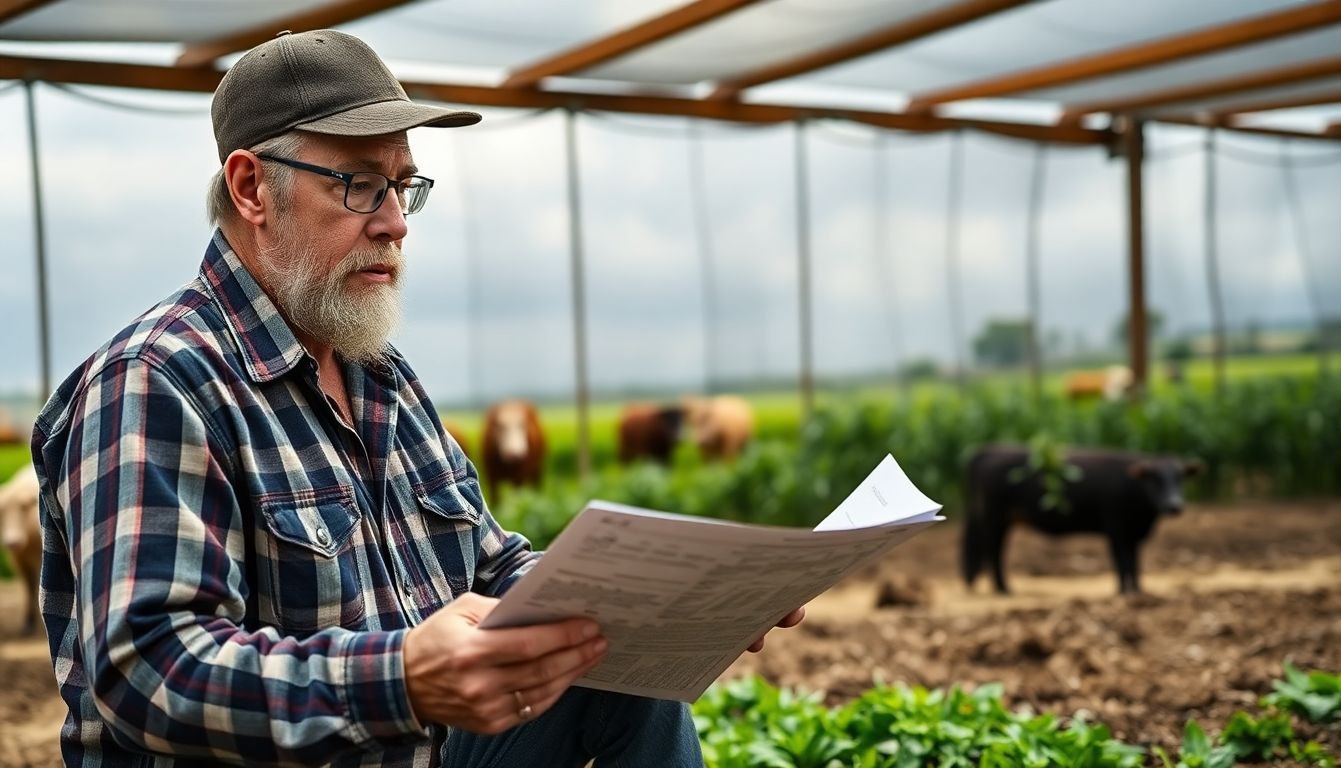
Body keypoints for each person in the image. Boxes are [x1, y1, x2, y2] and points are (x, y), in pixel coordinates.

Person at [30, 29, 803, 767]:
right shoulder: (156, 383)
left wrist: (675, 597)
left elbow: (494, 569)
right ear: (251, 187)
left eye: (403, 186)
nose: (396, 222)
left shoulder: (381, 377)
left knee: (623, 683)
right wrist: (397, 676)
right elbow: (148, 671)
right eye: (360, 185)